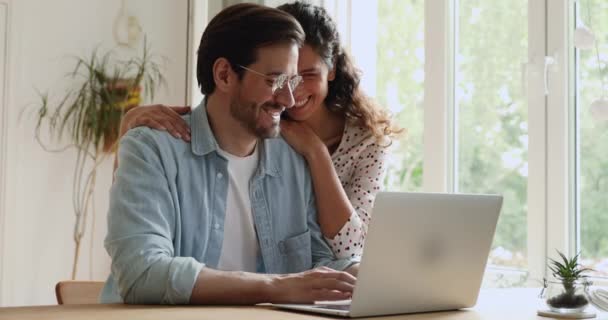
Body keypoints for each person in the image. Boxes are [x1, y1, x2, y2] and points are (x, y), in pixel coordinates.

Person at [101, 3, 358, 305]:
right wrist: (275, 286)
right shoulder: (151, 150)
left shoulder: (292, 159)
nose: (288, 100)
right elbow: (142, 273)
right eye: (275, 80)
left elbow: (318, 265)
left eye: (293, 82)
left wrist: (363, 274)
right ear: (224, 75)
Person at [119, 2, 401, 259]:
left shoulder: (362, 143)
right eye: (281, 79)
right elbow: (222, 108)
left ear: (332, 69)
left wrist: (316, 153)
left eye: (308, 75)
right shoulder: (258, 122)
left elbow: (349, 251)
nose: (293, 93)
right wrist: (131, 122)